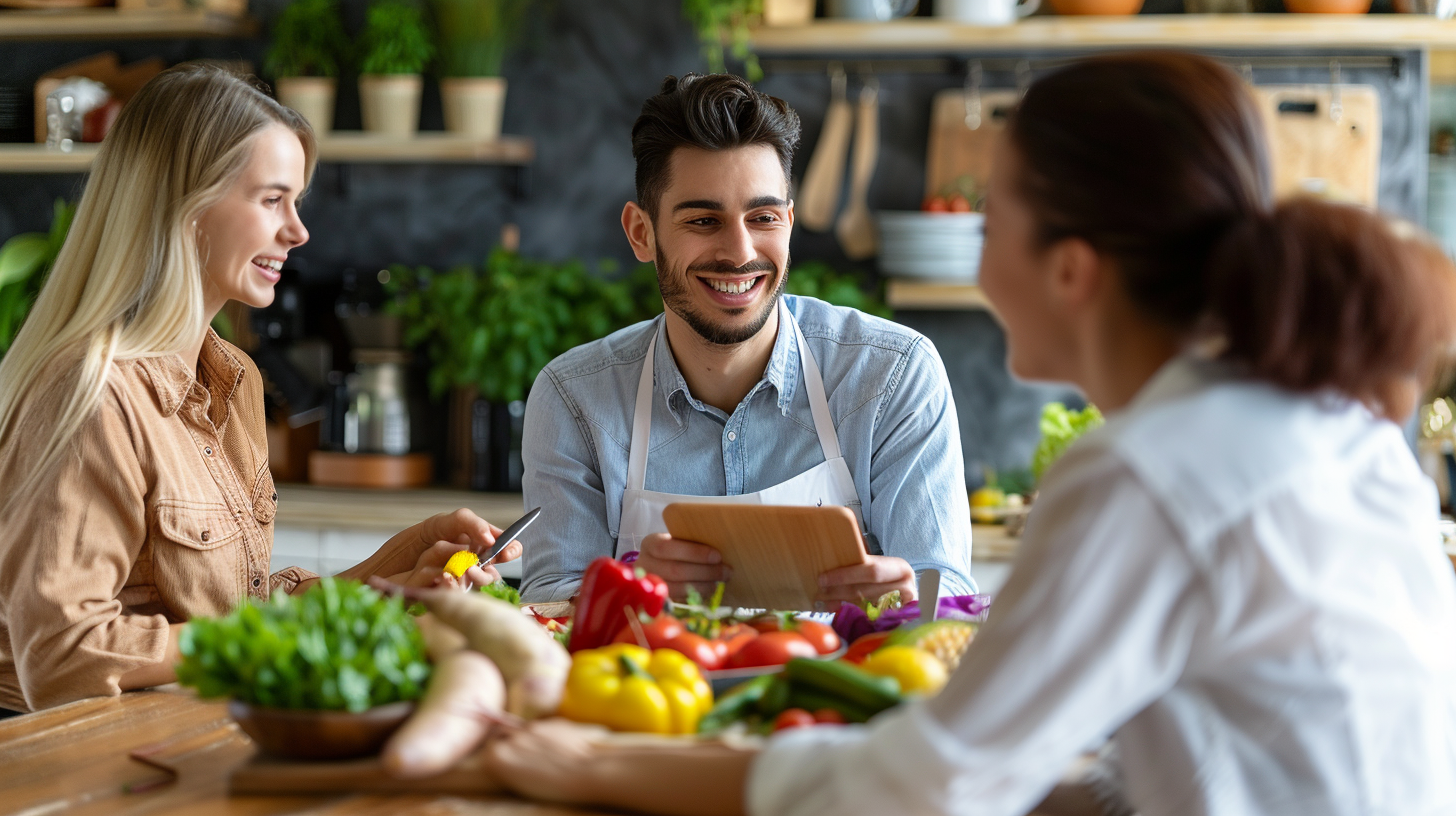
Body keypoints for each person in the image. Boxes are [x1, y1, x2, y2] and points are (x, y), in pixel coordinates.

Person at [477, 53, 1456, 815]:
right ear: (643, 230)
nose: (978, 272)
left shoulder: (1145, 474)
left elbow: (929, 785)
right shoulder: (1326, 421)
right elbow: (1172, 773)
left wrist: (601, 770)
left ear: (1069, 269)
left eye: (989, 226)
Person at [0, 64, 517, 716]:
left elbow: (232, 615)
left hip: (182, 740)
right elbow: (64, 658)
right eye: (273, 200)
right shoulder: (93, 396)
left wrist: (397, 567)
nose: (298, 231)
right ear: (185, 205)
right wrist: (283, 630)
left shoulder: (234, 380)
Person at [520, 73, 975, 604]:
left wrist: (914, 603)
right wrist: (640, 594)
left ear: (788, 221)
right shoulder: (575, 400)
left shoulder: (891, 375)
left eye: (762, 217)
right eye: (703, 220)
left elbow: (949, 608)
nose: (739, 252)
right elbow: (550, 609)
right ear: (642, 233)